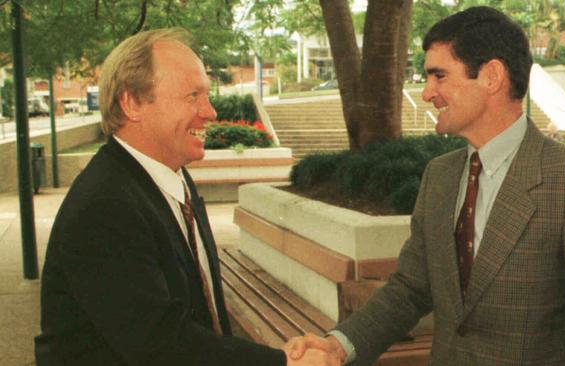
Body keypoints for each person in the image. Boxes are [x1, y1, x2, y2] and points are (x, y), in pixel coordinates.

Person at [290, 6, 565, 365]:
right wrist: (338, 345)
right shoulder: (439, 177)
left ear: (491, 76)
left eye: (438, 76)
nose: (427, 92)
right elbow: (410, 289)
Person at [34, 28, 338, 366]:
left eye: (207, 95)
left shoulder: (174, 178)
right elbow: (160, 346)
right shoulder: (105, 208)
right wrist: (282, 362)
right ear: (132, 102)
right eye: (193, 96)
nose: (210, 112)